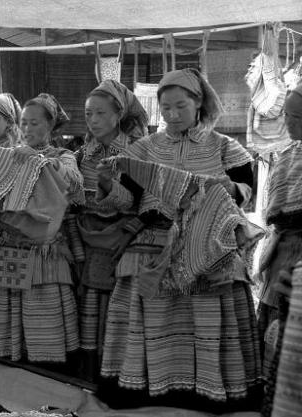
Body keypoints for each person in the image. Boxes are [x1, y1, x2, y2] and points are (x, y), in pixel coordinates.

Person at [98, 68, 262, 412]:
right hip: (154, 241)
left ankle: (208, 388)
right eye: (165, 108)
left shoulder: (226, 147)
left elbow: (248, 195)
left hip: (210, 243)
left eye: (180, 107)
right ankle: (150, 384)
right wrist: (109, 187)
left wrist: (225, 188)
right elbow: (129, 202)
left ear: (199, 103)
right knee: (155, 315)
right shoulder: (144, 148)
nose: (172, 116)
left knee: (206, 314)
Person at [0, 93, 83, 363]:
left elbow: (72, 183)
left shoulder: (64, 156)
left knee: (41, 319)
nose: (27, 129)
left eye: (35, 123)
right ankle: (14, 367)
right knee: (12, 314)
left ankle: (45, 372)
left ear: (51, 126)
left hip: (42, 252)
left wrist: (38, 160)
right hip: (10, 247)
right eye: (24, 123)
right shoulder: (8, 155)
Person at [74, 80, 147, 376]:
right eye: (89, 114)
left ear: (118, 115)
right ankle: (88, 370)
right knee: (89, 304)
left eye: (101, 114)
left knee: (115, 307)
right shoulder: (82, 154)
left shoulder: (136, 152)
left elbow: (136, 201)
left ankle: (114, 371)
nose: (93, 120)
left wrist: (106, 184)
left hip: (121, 240)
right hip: (88, 238)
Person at [257, 83, 302, 416]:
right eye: (288, 115)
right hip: (282, 257)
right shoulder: (287, 155)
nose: (289, 122)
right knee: (274, 340)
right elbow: (274, 213)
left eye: (297, 116)